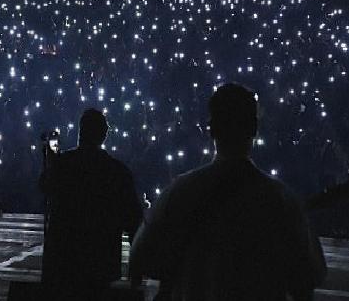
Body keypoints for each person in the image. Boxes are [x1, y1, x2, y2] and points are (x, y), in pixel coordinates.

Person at [130, 83, 327, 301]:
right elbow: (308, 276)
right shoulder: (282, 200)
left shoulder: (179, 192)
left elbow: (140, 258)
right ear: (254, 128)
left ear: (211, 128)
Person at [39, 108, 143, 300]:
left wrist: (50, 160)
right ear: (103, 136)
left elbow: (45, 187)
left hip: (64, 261)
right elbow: (133, 220)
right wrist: (136, 272)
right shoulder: (117, 171)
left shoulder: (63, 164)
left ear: (80, 133)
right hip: (100, 263)